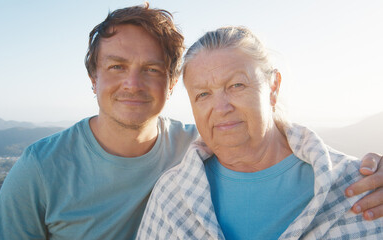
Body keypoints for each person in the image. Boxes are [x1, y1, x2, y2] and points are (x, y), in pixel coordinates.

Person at [0, 4, 382, 240]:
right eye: (117, 66)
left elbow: (283, 147)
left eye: (151, 70)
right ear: (93, 79)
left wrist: (370, 171)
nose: (132, 84)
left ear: (172, 84)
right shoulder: (42, 167)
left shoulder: (202, 145)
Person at [137, 26, 383, 239]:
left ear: (273, 87)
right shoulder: (171, 196)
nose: (221, 108)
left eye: (236, 85)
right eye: (203, 95)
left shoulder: (360, 188)